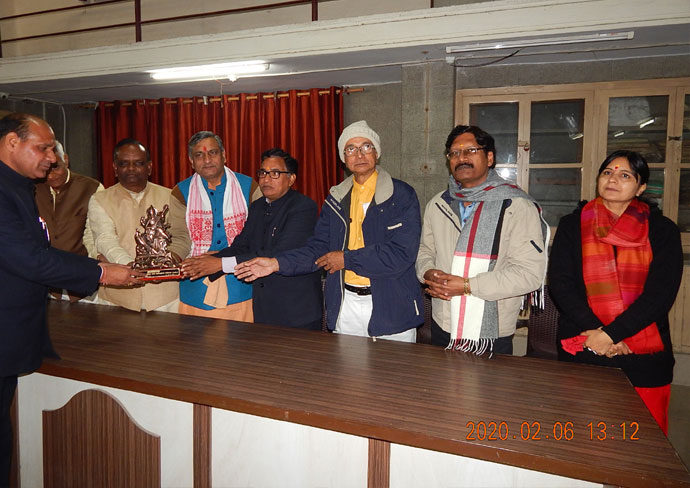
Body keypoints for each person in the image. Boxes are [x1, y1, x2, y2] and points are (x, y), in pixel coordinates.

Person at [0, 113, 138, 485]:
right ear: (12, 142)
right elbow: (28, 259)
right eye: (43, 148)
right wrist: (101, 272)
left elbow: (39, 250)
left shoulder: (17, 185)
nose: (52, 157)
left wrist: (95, 269)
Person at [235, 120, 423, 342]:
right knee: (348, 366)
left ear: (377, 153)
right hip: (346, 304)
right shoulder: (336, 199)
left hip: (392, 305)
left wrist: (347, 259)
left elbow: (402, 253)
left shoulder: (400, 195)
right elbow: (318, 249)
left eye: (366, 146)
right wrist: (275, 264)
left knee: (393, 365)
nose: (359, 154)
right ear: (344, 158)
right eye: (350, 149)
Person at [549, 150, 682, 435]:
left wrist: (610, 334)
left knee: (642, 440)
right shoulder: (573, 225)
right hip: (585, 344)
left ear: (641, 187)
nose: (613, 179)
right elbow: (561, 284)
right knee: (582, 436)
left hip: (642, 355)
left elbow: (660, 295)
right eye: (607, 172)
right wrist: (598, 334)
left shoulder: (662, 230)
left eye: (625, 175)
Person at [416, 125, 548, 355]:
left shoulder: (516, 206)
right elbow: (425, 250)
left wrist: (467, 286)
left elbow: (529, 275)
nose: (461, 158)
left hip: (492, 330)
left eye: (470, 150)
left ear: (489, 158)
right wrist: (428, 272)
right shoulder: (438, 204)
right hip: (444, 321)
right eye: (454, 153)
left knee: (489, 380)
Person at [180, 148, 322, 329]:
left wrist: (220, 264)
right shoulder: (258, 207)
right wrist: (209, 259)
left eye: (275, 173)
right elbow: (242, 245)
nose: (266, 179)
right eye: (263, 173)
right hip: (264, 308)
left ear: (291, 179)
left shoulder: (303, 207)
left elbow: (277, 254)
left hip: (296, 311)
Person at [168, 131, 258, 320]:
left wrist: (221, 261)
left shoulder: (249, 187)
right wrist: (169, 260)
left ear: (224, 155)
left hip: (240, 288)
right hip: (195, 289)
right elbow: (181, 238)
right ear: (191, 161)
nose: (207, 160)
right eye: (199, 155)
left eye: (213, 153)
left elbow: (258, 238)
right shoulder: (180, 192)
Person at [87, 138, 179, 312]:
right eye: (124, 163)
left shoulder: (171, 197)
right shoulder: (100, 199)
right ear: (115, 168)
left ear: (149, 167)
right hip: (117, 296)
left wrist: (166, 264)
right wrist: (132, 268)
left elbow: (180, 238)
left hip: (166, 298)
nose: (131, 168)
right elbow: (105, 239)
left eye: (138, 163)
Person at [35, 140, 104, 301]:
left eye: (56, 167)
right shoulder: (32, 188)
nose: (51, 175)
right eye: (46, 169)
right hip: (45, 284)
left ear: (65, 160)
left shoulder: (92, 188)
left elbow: (97, 235)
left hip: (84, 283)